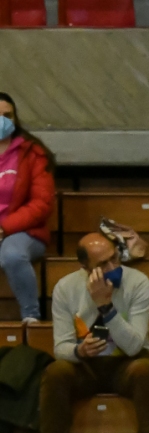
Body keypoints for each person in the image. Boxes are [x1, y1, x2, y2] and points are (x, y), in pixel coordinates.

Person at [42, 233, 149, 433]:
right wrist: (79, 351)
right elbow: (61, 347)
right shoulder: (65, 288)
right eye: (102, 264)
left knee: (145, 370)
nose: (112, 267)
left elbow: (134, 346)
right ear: (85, 267)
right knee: (56, 372)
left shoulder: (138, 282)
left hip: (126, 362)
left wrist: (106, 306)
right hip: (86, 365)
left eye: (114, 258)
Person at [0, 92, 53, 325]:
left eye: (7, 115)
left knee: (12, 255)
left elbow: (42, 203)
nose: (2, 121)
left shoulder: (33, 153)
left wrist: (4, 228)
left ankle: (31, 316)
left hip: (24, 231)